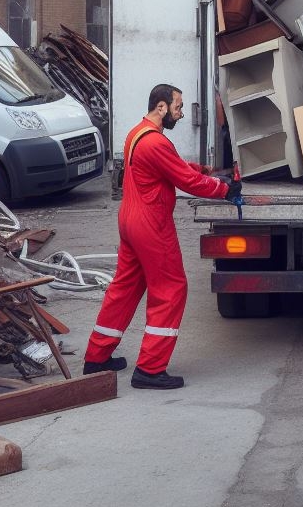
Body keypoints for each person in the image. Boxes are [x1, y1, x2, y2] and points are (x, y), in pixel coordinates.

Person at [83, 83, 243, 390]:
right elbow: (185, 180)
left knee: (124, 288)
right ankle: (150, 369)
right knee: (171, 288)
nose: (180, 114)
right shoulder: (155, 142)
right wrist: (224, 189)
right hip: (151, 224)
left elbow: (174, 167)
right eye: (178, 107)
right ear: (161, 107)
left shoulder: (137, 134)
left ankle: (96, 357)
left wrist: (204, 169)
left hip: (130, 221)